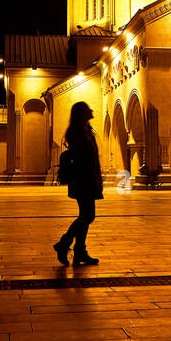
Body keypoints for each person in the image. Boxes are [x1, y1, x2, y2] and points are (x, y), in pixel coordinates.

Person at [54, 101, 103, 266]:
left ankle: (79, 252)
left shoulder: (85, 130)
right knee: (88, 216)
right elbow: (84, 160)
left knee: (85, 216)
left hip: (87, 179)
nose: (92, 110)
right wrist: (93, 176)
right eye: (88, 109)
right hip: (83, 180)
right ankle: (63, 244)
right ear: (81, 113)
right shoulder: (78, 133)